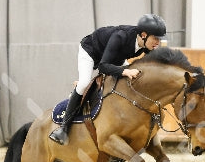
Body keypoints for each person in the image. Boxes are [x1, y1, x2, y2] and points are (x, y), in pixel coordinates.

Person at [48, 13, 167, 145]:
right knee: (84, 83)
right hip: (91, 52)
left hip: (115, 57)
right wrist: (125, 70)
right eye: (155, 38)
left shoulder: (147, 44)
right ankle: (63, 129)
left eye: (159, 39)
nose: (158, 42)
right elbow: (103, 66)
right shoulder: (120, 36)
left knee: (132, 80)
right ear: (144, 35)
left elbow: (155, 63)